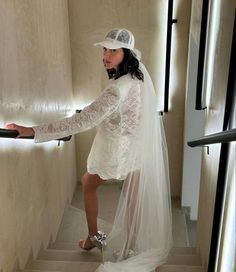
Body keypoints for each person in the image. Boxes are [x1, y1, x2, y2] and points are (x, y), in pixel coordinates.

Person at [6, 28, 173, 272]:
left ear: (126, 53)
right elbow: (123, 110)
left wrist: (34, 131)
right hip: (136, 145)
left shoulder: (116, 89)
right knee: (134, 194)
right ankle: (130, 245)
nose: (105, 55)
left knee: (88, 183)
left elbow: (80, 122)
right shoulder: (137, 78)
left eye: (113, 50)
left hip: (116, 148)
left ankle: (94, 237)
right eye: (105, 49)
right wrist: (100, 111)